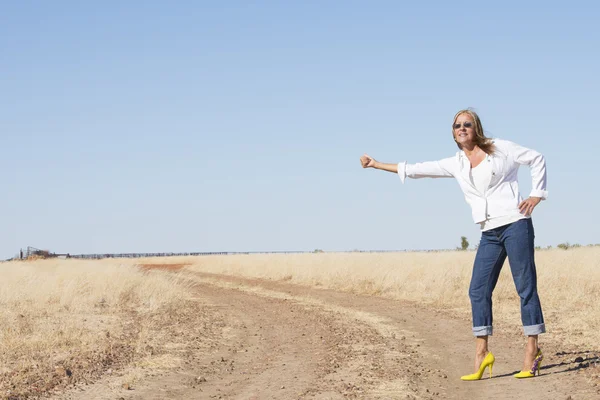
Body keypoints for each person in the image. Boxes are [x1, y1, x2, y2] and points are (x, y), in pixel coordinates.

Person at [360, 109, 547, 380]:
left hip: (515, 224)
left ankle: (532, 350)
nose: (462, 128)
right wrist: (377, 165)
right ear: (453, 132)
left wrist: (536, 194)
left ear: (476, 128)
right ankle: (482, 353)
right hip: (489, 232)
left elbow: (537, 158)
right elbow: (416, 170)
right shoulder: (456, 163)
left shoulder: (501, 149)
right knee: (477, 290)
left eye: (467, 124)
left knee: (525, 286)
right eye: (457, 125)